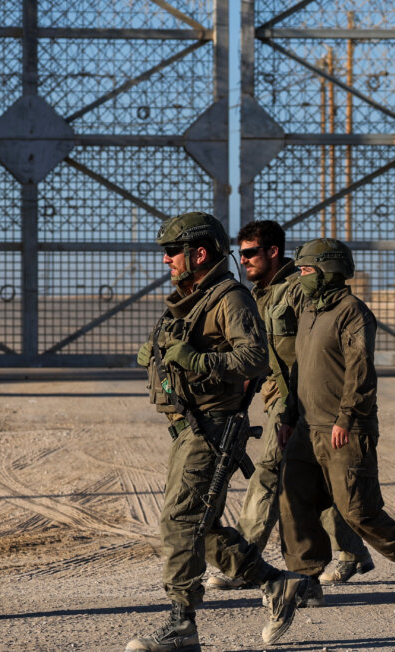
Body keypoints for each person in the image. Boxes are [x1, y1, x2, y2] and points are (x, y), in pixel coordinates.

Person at [127, 212, 307, 652]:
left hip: (212, 428)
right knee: (201, 526)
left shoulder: (230, 298)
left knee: (179, 521)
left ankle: (182, 624)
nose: (167, 261)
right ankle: (274, 583)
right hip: (189, 428)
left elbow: (254, 359)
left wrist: (195, 360)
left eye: (173, 252)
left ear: (199, 253)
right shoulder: (190, 298)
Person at [206, 221, 373, 597]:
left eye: (250, 253)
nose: (243, 260)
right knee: (315, 477)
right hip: (277, 393)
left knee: (269, 472)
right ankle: (351, 550)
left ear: (273, 252)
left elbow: (316, 344)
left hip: (300, 395)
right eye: (241, 253)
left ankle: (241, 562)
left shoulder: (299, 289)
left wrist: (300, 403)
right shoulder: (260, 293)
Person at [278, 238, 395, 603]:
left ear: (329, 270)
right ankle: (306, 579)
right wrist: (288, 415)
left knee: (357, 511)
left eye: (306, 271)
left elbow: (361, 371)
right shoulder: (309, 311)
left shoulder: (352, 312)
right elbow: (298, 370)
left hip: (345, 428)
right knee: (293, 501)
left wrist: (346, 418)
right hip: (305, 426)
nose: (300, 277)